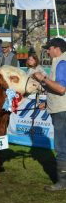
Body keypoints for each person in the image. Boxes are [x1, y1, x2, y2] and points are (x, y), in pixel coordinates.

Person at [33, 37, 66, 191]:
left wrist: (43, 78)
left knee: (61, 148)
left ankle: (62, 182)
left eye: (49, 48)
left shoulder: (61, 63)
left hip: (61, 111)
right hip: (60, 109)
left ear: (56, 49)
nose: (47, 50)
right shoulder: (59, 62)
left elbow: (61, 89)